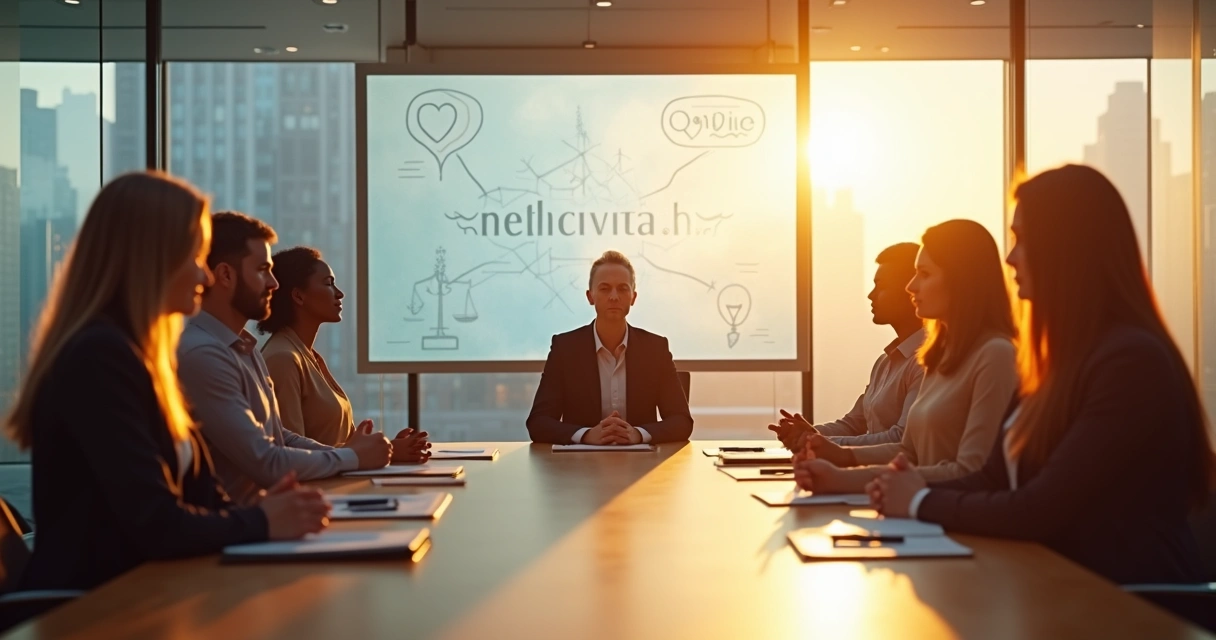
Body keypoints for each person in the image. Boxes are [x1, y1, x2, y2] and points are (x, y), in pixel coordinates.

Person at [866, 165, 1215, 585]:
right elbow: (993, 478)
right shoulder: (1054, 362)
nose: (1010, 257)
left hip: (1129, 607)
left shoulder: (1130, 362)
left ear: (1068, 249)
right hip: (1056, 587)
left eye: (1023, 240)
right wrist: (903, 487)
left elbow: (1038, 509)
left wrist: (919, 500)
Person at [3, 173, 329, 591]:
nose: (206, 275)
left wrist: (277, 513)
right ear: (152, 257)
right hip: (99, 609)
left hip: (159, 591)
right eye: (195, 256)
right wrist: (264, 520)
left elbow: (206, 501)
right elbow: (155, 522)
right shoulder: (98, 358)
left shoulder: (145, 359)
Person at [178, 212, 393, 504]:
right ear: (226, 275)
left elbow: (281, 438)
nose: (273, 284)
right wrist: (351, 456)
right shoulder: (203, 354)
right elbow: (267, 462)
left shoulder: (245, 346)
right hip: (242, 533)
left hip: (268, 523)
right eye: (262, 270)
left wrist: (351, 454)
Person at [794, 220, 1018, 492]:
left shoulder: (995, 355)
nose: (911, 287)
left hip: (952, 524)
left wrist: (844, 476)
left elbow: (972, 472)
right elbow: (908, 453)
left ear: (961, 278)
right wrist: (840, 461)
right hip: (920, 517)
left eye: (924, 274)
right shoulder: (938, 356)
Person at [258, 246, 430, 460]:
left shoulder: (308, 356)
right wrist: (390, 452)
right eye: (328, 284)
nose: (339, 293)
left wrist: (384, 447)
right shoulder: (283, 359)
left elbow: (340, 443)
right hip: (322, 491)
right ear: (298, 296)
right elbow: (291, 455)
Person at [526, 250, 693, 445]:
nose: (614, 296)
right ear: (590, 296)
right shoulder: (565, 349)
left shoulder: (655, 349)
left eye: (622, 289)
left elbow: (682, 422)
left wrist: (638, 434)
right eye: (605, 289)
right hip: (579, 468)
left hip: (641, 466)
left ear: (633, 297)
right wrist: (586, 435)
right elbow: (538, 423)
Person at [769, 243, 925, 449]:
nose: (871, 295)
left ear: (911, 291)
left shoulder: (925, 362)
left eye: (882, 286)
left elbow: (901, 439)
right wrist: (810, 434)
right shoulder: (885, 361)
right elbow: (853, 424)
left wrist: (817, 441)